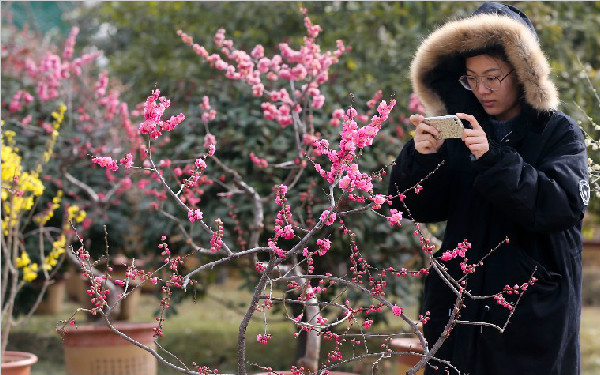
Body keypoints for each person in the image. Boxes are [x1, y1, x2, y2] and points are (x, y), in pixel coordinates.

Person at [388, 3, 588, 375]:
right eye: (471, 78)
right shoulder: (459, 128)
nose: (481, 89)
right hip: (457, 307)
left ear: (524, 72)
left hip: (528, 311)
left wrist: (493, 159)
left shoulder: (558, 132)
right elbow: (414, 207)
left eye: (493, 77)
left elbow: (560, 206)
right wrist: (422, 158)